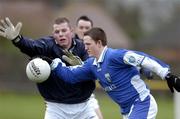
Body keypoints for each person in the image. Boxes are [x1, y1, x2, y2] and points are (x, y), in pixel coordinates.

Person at [49, 27, 180, 119]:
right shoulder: (91, 65)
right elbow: (70, 76)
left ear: (99, 43)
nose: (85, 47)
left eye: (88, 44)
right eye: (84, 44)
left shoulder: (115, 55)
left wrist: (167, 75)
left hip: (142, 103)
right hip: (127, 112)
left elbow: (142, 58)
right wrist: (53, 64)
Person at [0, 17, 99, 119]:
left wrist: (82, 66)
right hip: (56, 108)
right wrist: (17, 39)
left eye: (64, 30)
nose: (61, 34)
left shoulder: (83, 47)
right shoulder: (46, 45)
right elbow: (31, 46)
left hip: (84, 107)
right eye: (57, 31)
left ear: (71, 31)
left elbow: (95, 69)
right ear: (53, 34)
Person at [75, 15, 103, 119]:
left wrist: (139, 68)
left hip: (88, 95)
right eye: (81, 27)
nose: (84, 30)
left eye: (87, 28)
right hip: (69, 96)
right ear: (75, 29)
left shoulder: (96, 46)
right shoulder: (69, 45)